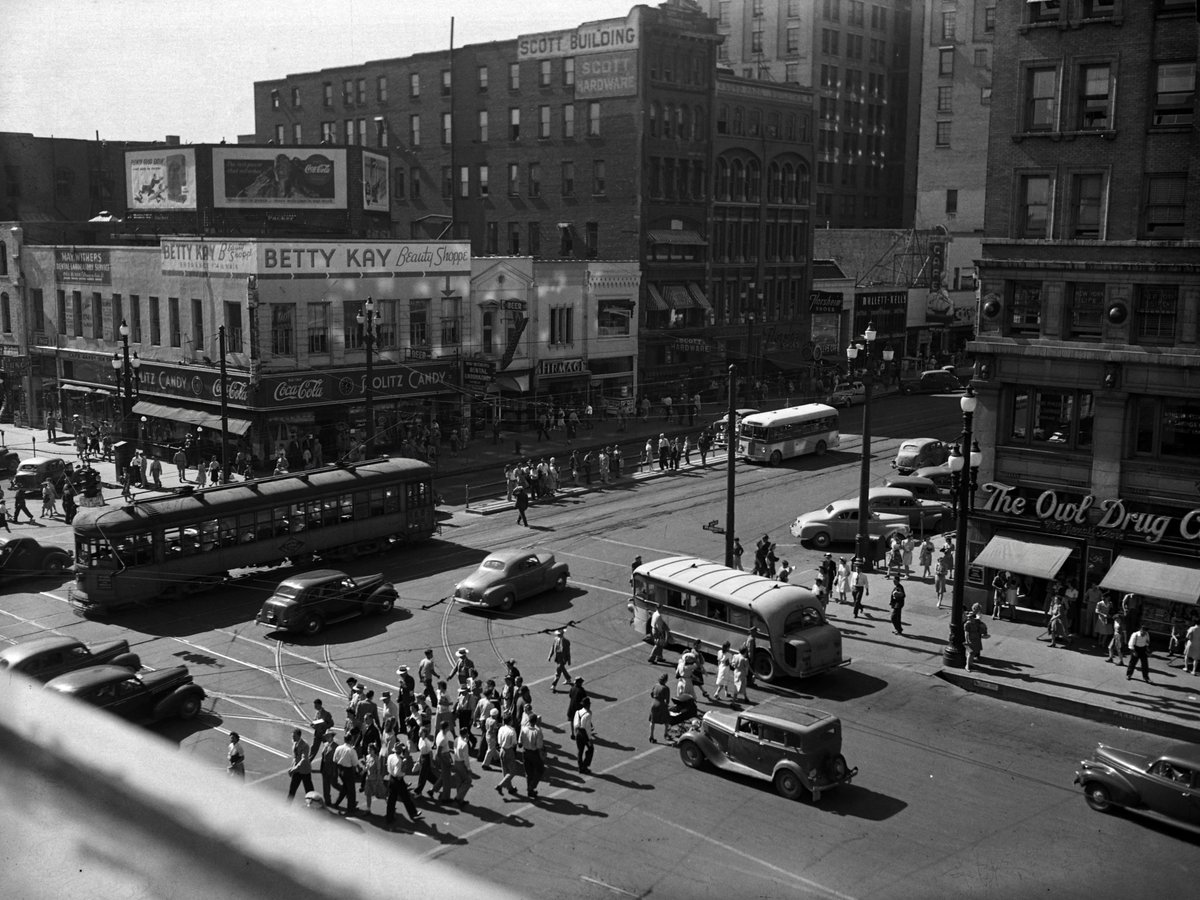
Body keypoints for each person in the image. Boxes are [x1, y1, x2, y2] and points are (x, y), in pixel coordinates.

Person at [384, 743, 423, 827]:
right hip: (398, 780)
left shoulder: (390, 756)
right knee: (406, 797)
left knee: (391, 800)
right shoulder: (399, 760)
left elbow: (389, 769)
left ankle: (389, 817)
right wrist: (403, 767)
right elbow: (397, 773)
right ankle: (413, 812)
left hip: (391, 779)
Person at [519, 712, 546, 799]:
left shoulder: (524, 729)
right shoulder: (537, 731)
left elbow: (520, 742)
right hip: (534, 753)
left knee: (528, 772)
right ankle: (531, 787)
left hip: (525, 752)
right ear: (535, 721)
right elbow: (539, 745)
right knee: (540, 770)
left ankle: (530, 790)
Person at [332, 732, 361, 813]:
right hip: (348, 771)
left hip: (340, 769)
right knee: (351, 790)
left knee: (345, 788)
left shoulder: (338, 748)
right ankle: (351, 808)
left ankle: (337, 803)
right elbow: (355, 763)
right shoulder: (351, 751)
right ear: (351, 740)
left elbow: (334, 760)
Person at [495, 715, 520, 797]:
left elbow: (499, 741)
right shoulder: (512, 731)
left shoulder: (501, 728)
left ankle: (510, 788)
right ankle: (500, 785)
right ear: (510, 721)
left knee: (505, 770)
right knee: (512, 772)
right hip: (509, 751)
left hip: (501, 750)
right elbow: (514, 743)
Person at [286, 728, 314, 801]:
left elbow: (304, 759)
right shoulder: (295, 743)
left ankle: (313, 805)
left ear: (299, 736)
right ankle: (287, 805)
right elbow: (295, 757)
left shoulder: (305, 745)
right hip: (297, 770)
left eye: (294, 736)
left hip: (304, 771)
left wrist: (294, 769)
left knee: (309, 791)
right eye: (292, 736)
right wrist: (292, 767)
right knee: (292, 789)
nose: (292, 738)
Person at [573, 696, 595, 774]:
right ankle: (585, 766)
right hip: (584, 734)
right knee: (591, 748)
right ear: (588, 705)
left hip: (578, 733)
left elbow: (575, 724)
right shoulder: (588, 714)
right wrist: (589, 739)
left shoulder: (578, 712)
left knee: (580, 751)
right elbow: (587, 728)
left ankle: (580, 767)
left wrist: (575, 733)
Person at [361, 744, 385, 814]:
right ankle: (368, 809)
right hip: (368, 779)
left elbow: (378, 770)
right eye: (368, 749)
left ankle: (390, 805)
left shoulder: (377, 759)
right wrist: (363, 771)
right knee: (368, 794)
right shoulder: (367, 757)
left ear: (374, 750)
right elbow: (367, 766)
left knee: (380, 794)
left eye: (370, 749)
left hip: (375, 780)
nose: (368, 750)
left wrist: (378, 780)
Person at [648, 673, 670, 743]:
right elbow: (667, 700)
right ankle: (666, 733)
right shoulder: (666, 688)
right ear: (665, 680)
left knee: (652, 721)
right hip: (661, 704)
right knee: (666, 719)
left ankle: (651, 736)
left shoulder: (655, 685)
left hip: (654, 704)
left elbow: (652, 695)